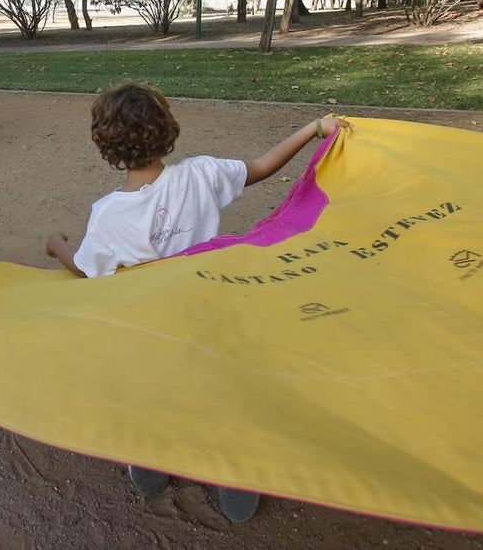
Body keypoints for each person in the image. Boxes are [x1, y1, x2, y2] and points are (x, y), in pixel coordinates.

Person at [45, 82, 351, 524]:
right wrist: (313, 128)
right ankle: (236, 473)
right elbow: (263, 166)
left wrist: (58, 247)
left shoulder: (109, 214)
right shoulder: (202, 174)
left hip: (153, 332)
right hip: (213, 315)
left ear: (104, 145)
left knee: (153, 394)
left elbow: (88, 268)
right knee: (224, 393)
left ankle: (148, 457)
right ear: (168, 130)